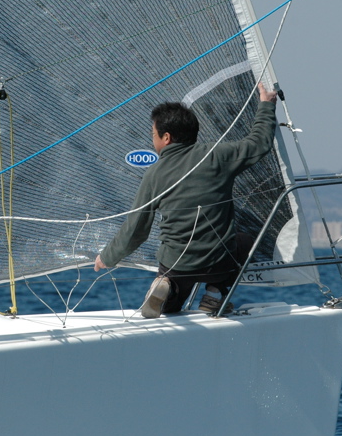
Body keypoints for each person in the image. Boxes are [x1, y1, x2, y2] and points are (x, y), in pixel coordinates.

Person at [94, 82, 278, 317]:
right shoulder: (217, 155)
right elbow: (259, 143)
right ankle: (213, 297)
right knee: (244, 240)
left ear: (166, 137)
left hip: (177, 264)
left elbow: (136, 228)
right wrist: (266, 105)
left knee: (170, 307)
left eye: (153, 135)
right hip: (217, 263)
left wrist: (107, 257)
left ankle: (166, 288)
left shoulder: (154, 173)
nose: (153, 141)